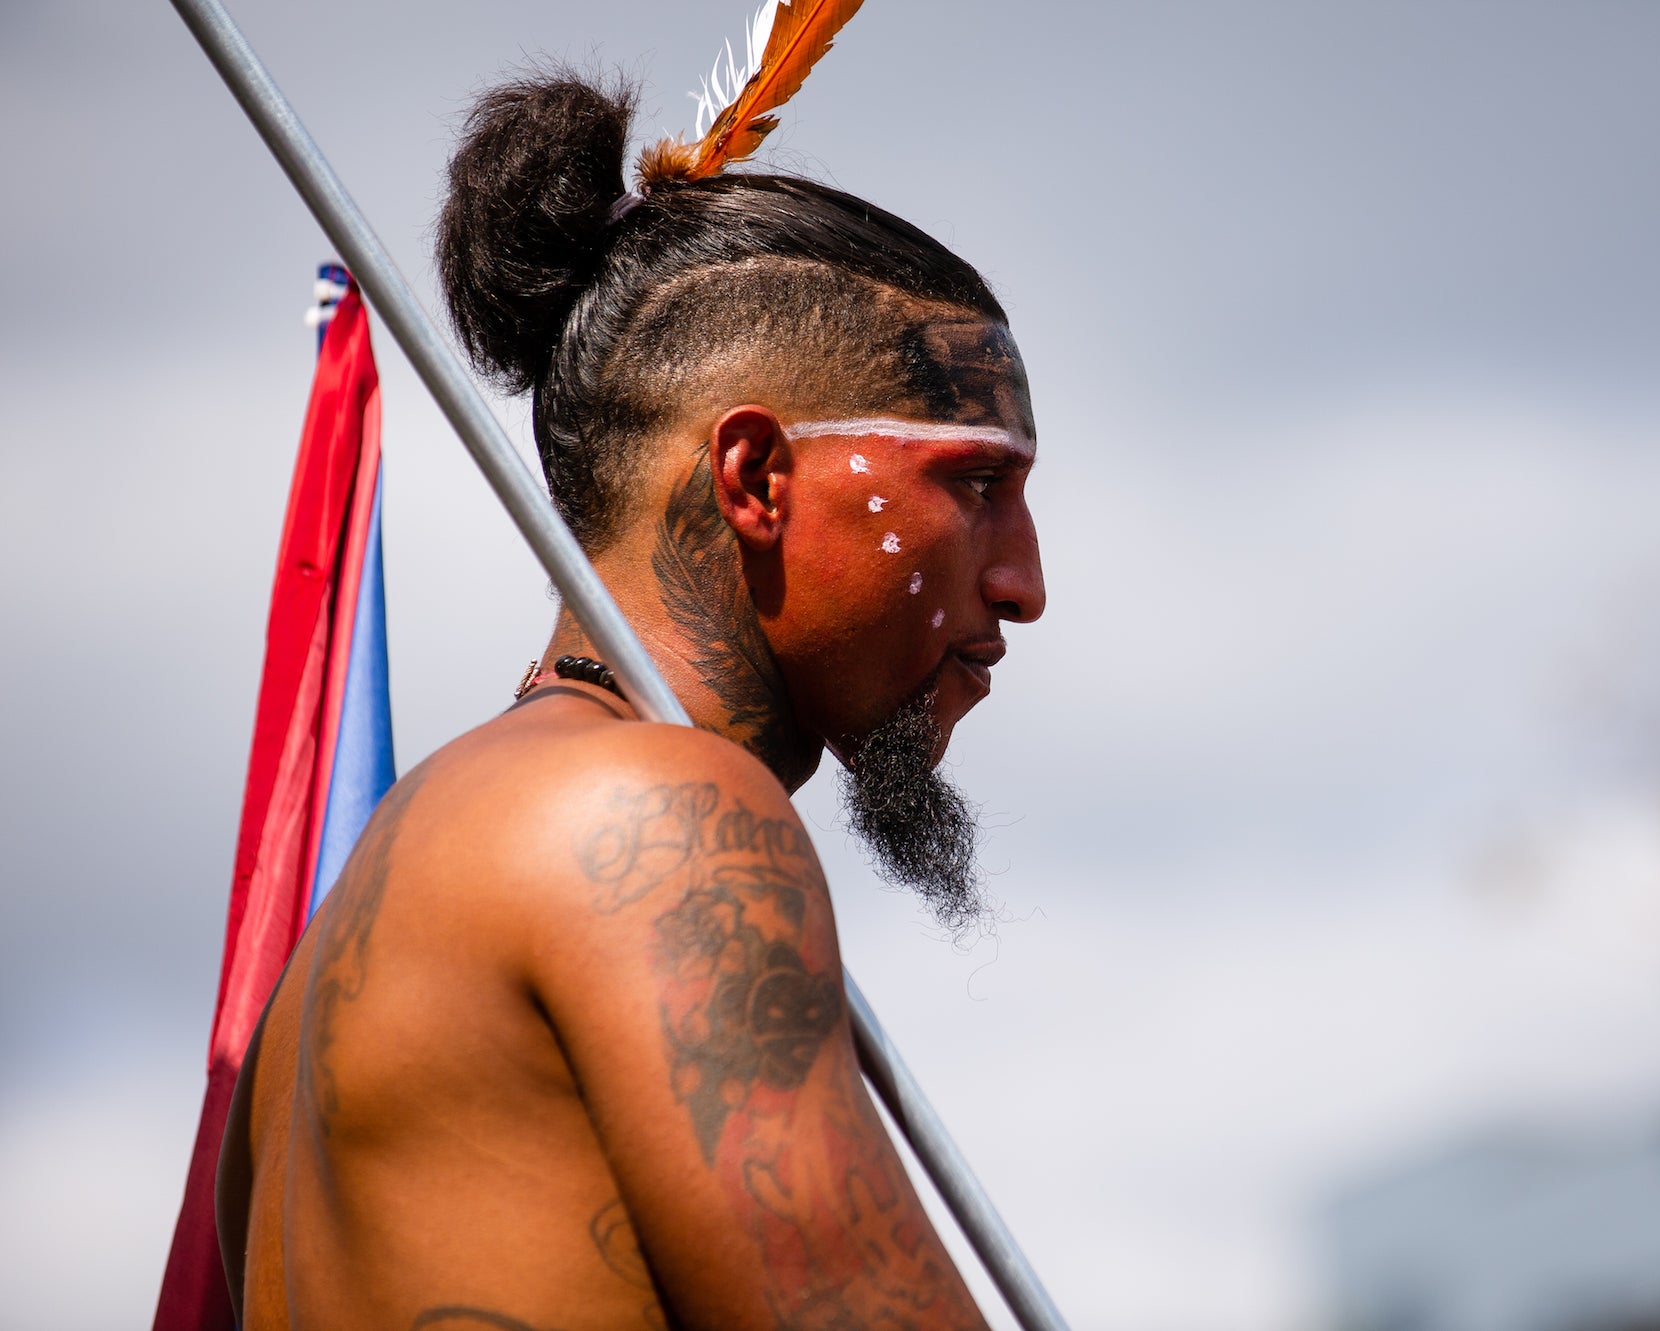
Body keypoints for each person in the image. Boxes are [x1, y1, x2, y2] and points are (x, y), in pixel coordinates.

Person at [214, 69, 1044, 1331]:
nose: (1023, 581)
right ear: (755, 475)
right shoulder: (660, 818)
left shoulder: (331, 952)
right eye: (975, 487)